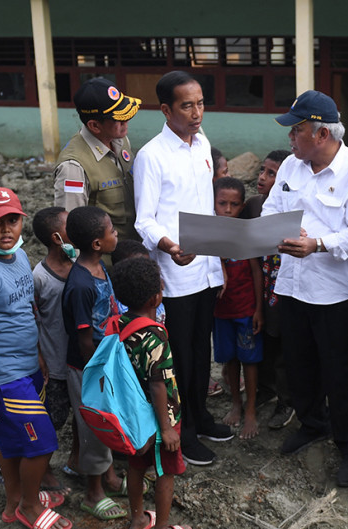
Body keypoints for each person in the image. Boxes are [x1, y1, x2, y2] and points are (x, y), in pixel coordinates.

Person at [261, 90, 348, 486]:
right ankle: (313, 424)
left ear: (322, 133)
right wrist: (282, 232)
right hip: (293, 284)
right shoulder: (293, 168)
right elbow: (270, 209)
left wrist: (319, 243)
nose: (290, 139)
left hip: (336, 292)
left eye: (297, 132)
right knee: (300, 364)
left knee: (342, 372)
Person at [0, 187, 71, 529]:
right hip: (5, 376)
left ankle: (13, 503)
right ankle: (30, 506)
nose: (6, 230)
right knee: (42, 442)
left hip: (28, 366)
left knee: (10, 441)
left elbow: (25, 311)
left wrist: (37, 351)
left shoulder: (19, 256)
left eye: (13, 221)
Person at [133, 70, 233, 466]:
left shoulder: (203, 144)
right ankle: (184, 430)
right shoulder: (151, 156)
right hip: (175, 274)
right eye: (187, 105)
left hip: (206, 267)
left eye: (201, 103)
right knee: (180, 358)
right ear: (165, 109)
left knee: (201, 350)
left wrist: (218, 264)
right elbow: (145, 219)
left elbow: (205, 209)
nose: (197, 113)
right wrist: (171, 247)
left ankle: (202, 417)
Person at [111, 256, 193, 529]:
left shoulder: (117, 324)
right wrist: (168, 428)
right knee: (165, 472)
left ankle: (137, 520)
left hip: (132, 417)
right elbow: (159, 383)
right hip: (161, 417)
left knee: (135, 466)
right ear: (156, 297)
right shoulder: (155, 335)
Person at [61, 206, 129, 521]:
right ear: (98, 243)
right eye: (112, 230)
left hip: (105, 360)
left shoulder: (100, 269)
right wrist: (97, 374)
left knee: (107, 419)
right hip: (89, 368)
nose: (117, 234)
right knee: (94, 426)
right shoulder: (80, 285)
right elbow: (84, 338)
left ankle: (111, 478)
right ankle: (93, 493)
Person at [240, 149, 295, 430]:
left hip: (283, 288)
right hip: (258, 286)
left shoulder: (291, 209)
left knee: (282, 341)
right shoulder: (252, 206)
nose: (262, 177)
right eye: (262, 170)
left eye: (271, 174)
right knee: (262, 338)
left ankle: (287, 399)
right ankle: (264, 388)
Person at [54, 78, 142, 242]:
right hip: (106, 261)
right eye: (119, 119)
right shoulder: (73, 167)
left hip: (134, 250)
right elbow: (70, 228)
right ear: (94, 125)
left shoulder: (120, 140)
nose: (126, 122)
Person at [212, 177, 263, 439]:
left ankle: (251, 410)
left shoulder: (246, 235)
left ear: (242, 206)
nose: (228, 210)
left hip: (245, 308)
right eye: (222, 203)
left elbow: (256, 272)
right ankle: (236, 403)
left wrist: (258, 309)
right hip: (221, 311)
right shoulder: (208, 235)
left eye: (234, 204)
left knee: (250, 360)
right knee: (229, 358)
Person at [31, 207, 79, 475]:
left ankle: (75, 461)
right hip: (56, 363)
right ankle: (42, 468)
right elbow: (33, 319)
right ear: (56, 238)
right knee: (54, 418)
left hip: (81, 359)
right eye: (69, 226)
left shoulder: (82, 265)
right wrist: (39, 355)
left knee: (82, 417)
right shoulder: (39, 277)